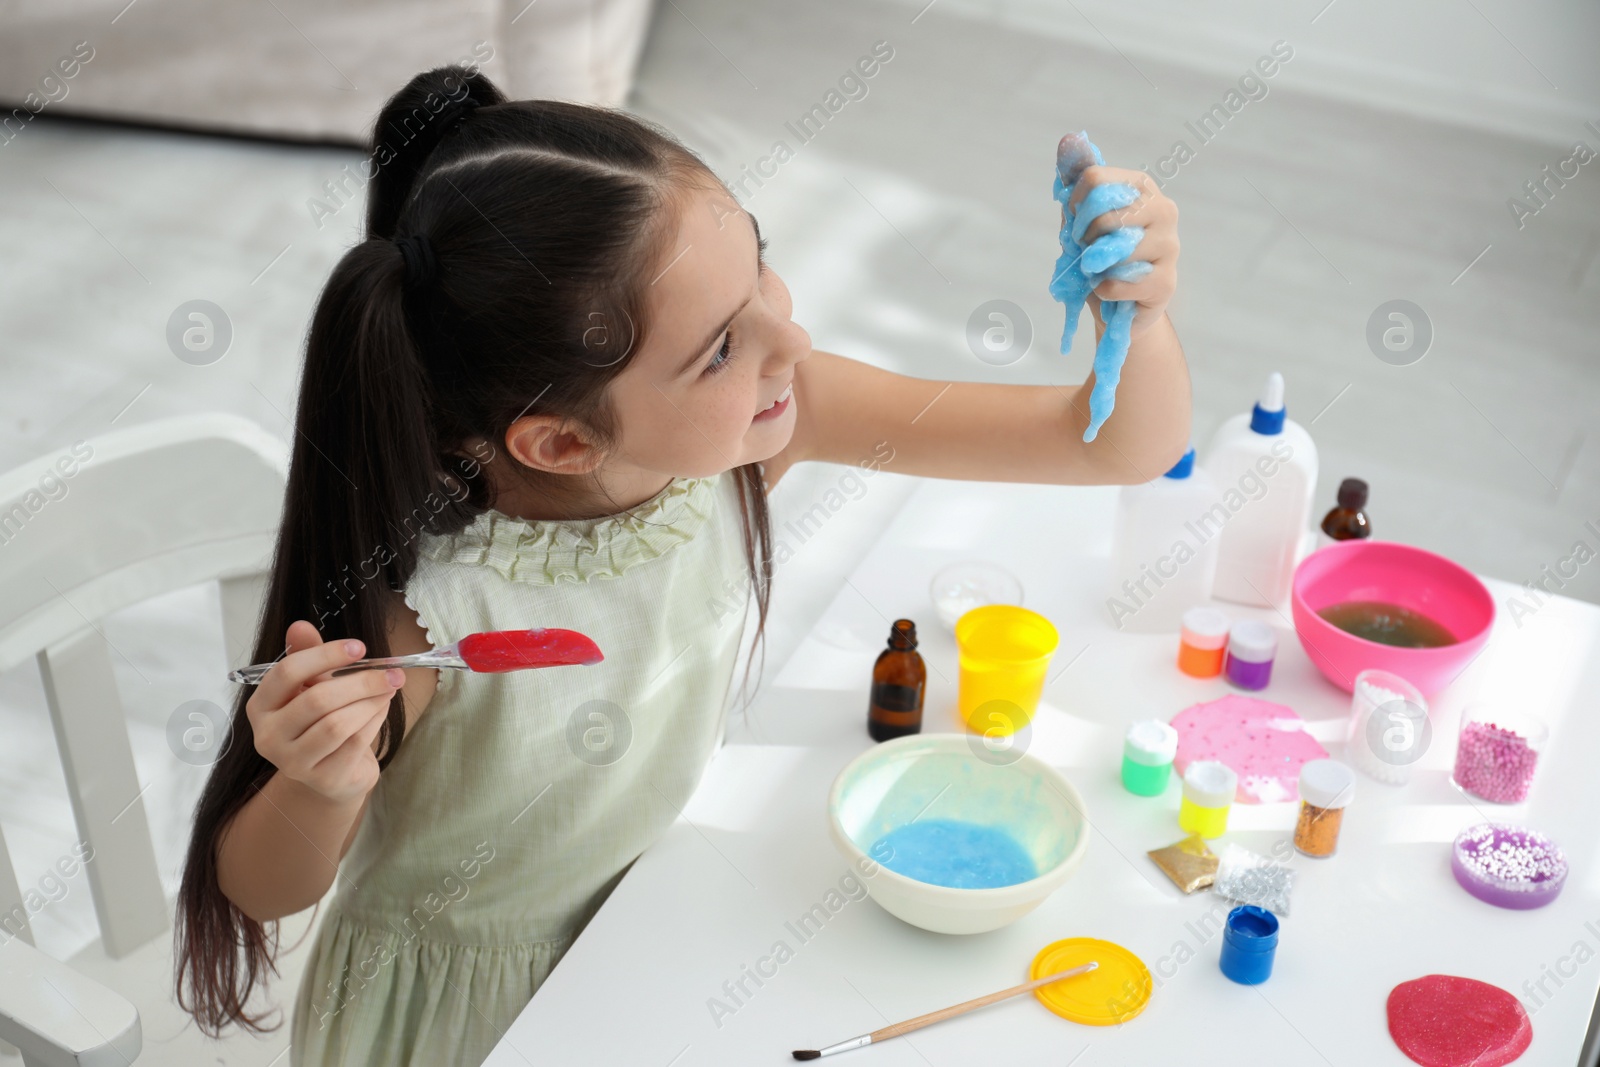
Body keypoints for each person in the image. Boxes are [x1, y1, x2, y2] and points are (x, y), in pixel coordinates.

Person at [173, 60, 1189, 1066]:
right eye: (718, 347)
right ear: (562, 442)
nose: (786, 338)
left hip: (651, 929)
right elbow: (260, 888)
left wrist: (1131, 318)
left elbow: (1108, 445)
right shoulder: (428, 619)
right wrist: (317, 781)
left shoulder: (759, 423)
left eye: (762, 266)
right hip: (466, 1017)